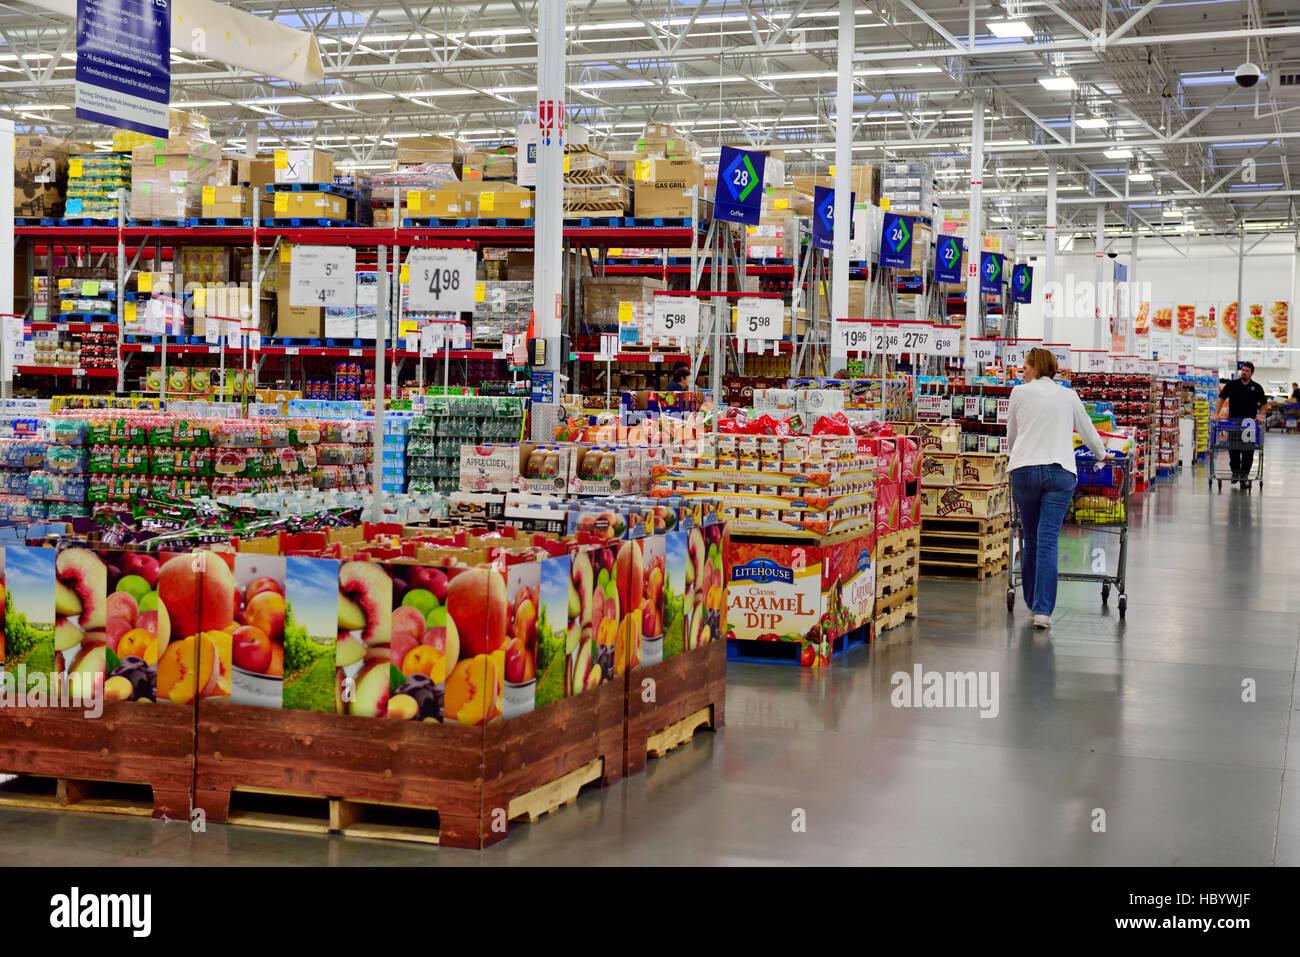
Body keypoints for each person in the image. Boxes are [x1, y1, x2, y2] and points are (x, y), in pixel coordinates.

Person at [1007, 347, 1110, 630]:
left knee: (1030, 537)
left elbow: (1012, 436)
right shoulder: (1069, 395)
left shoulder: (1019, 393)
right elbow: (1088, 430)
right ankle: (1042, 611)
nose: (1023, 372)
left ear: (1035, 367)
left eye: (1025, 367)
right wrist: (1101, 455)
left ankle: (1032, 602)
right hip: (1060, 472)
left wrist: (1013, 455)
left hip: (1025, 471)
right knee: (1048, 540)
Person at [1214, 361, 1267, 483]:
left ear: (1252, 373)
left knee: (1248, 451)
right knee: (1233, 450)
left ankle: (1244, 477)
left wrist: (1260, 415)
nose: (1244, 372)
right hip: (1233, 423)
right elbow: (1221, 399)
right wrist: (1216, 413)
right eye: (1243, 370)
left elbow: (1264, 405)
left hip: (1249, 425)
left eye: (1247, 371)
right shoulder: (1232, 385)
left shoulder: (1257, 387)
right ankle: (1236, 473)